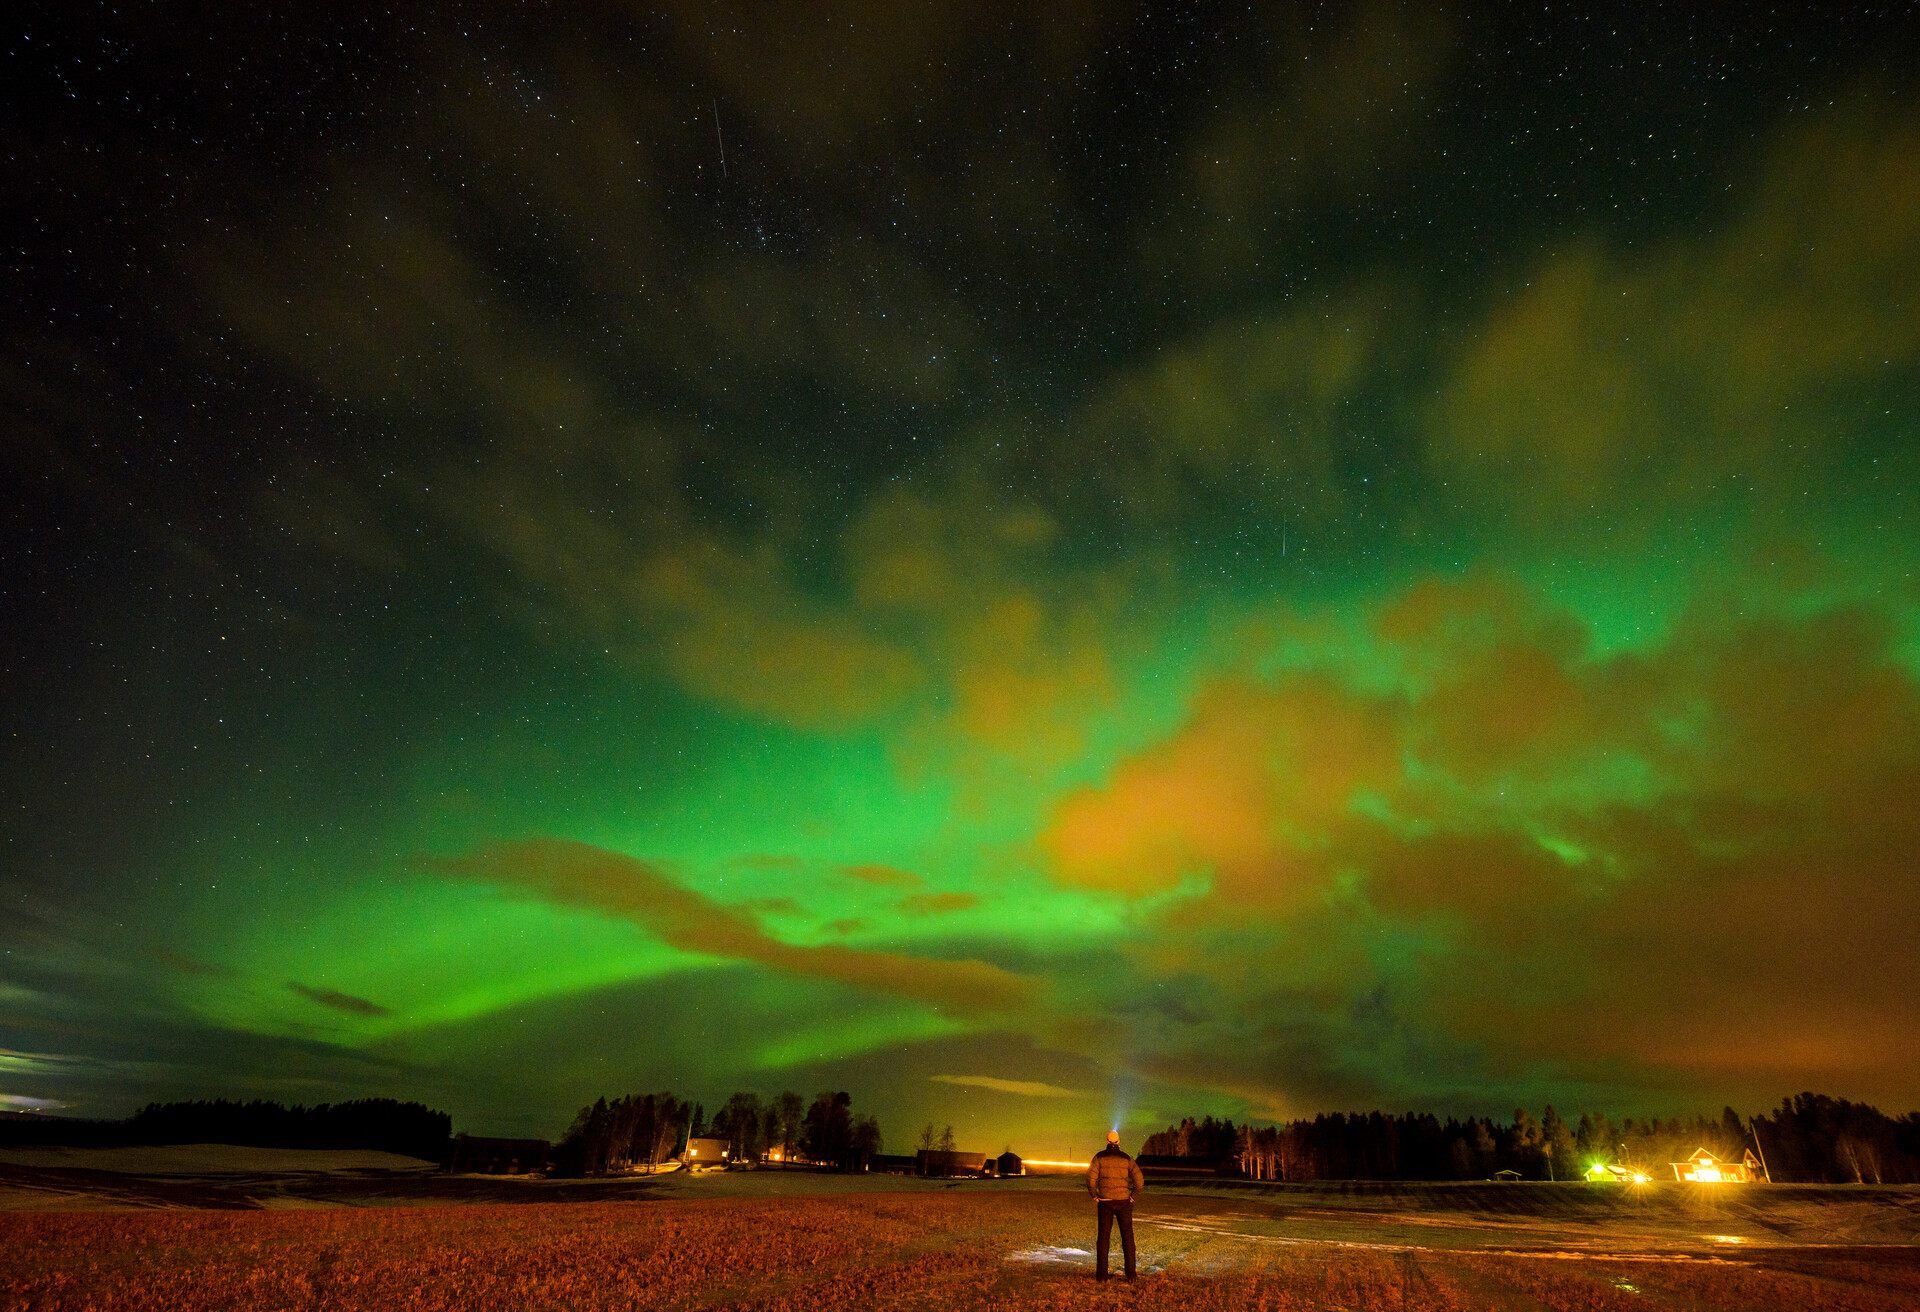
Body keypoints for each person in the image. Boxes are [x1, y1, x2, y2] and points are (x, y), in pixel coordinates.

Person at [1085, 1129, 1144, 1282]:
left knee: (1103, 1239)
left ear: (1107, 1141)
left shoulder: (1099, 1157)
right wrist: (1132, 1197)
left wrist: (1095, 1195)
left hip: (1105, 1203)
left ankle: (1102, 1276)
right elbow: (1139, 1181)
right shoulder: (1127, 1158)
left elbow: (1091, 1180)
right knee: (1128, 1238)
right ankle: (1131, 1275)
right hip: (1124, 1202)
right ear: (1118, 1142)